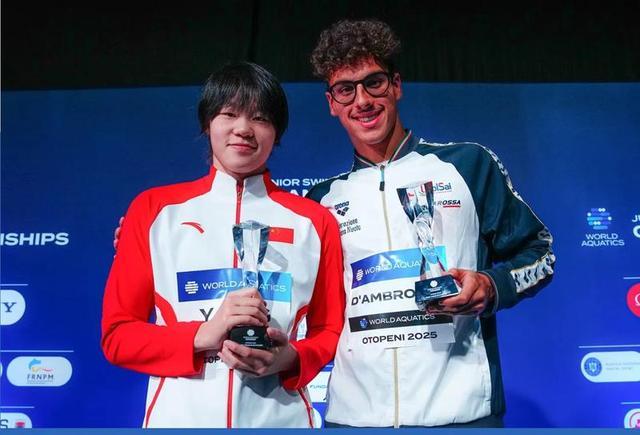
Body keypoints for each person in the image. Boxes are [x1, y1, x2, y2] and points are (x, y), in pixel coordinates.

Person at [304, 19, 555, 428]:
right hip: (354, 418)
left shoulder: (467, 165)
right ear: (332, 103)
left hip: (463, 414)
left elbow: (541, 255)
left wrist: (491, 286)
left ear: (396, 85)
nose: (362, 100)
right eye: (346, 90)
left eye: (374, 83)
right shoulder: (322, 200)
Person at [101, 62, 345, 428]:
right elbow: (118, 336)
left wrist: (291, 359)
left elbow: (330, 330)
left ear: (276, 133)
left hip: (283, 421)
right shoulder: (153, 211)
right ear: (207, 123)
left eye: (260, 118)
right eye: (229, 114)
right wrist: (202, 335)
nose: (243, 128)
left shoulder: (314, 220)